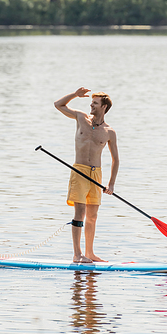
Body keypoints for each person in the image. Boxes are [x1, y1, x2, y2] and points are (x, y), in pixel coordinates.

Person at [54, 87, 119, 263]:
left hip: (96, 175)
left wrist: (111, 184)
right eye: (91, 101)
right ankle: (77, 255)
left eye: (95, 102)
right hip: (79, 171)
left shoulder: (109, 132)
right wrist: (75, 95)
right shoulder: (81, 118)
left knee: (92, 216)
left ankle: (89, 254)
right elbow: (58, 105)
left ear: (104, 107)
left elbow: (116, 160)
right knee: (80, 213)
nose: (91, 104)